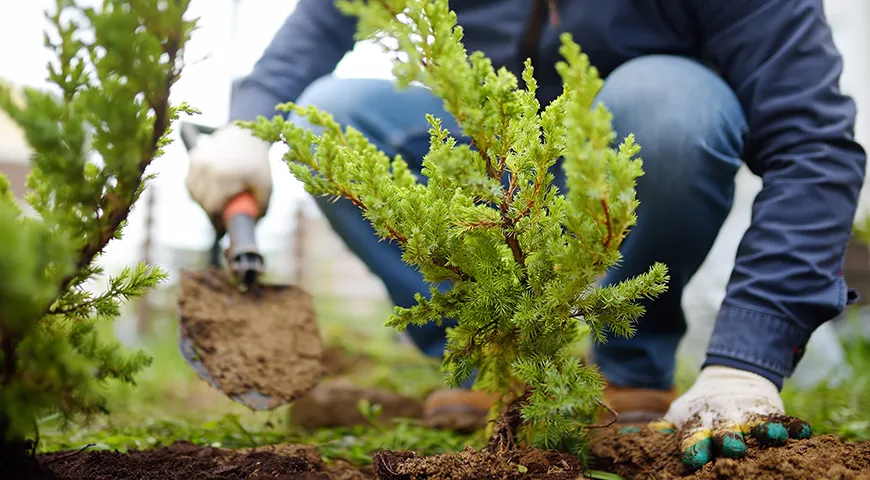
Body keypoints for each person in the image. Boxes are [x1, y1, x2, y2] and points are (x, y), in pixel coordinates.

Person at [185, 0, 866, 468]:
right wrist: (247, 120)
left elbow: (813, 144)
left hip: (627, 164)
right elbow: (326, 17)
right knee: (318, 117)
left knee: (669, 102)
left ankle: (628, 365)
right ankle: (489, 357)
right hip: (494, 169)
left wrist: (747, 357)